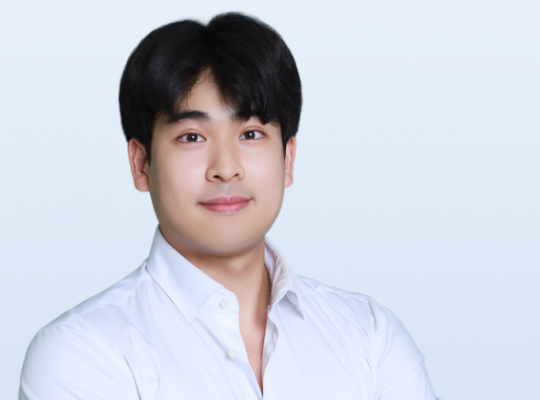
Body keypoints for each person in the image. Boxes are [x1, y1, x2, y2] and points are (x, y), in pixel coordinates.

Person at [19, 12, 439, 400]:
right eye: (192, 137)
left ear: (288, 159)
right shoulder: (81, 354)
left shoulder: (370, 336)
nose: (225, 168)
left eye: (251, 134)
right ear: (141, 163)